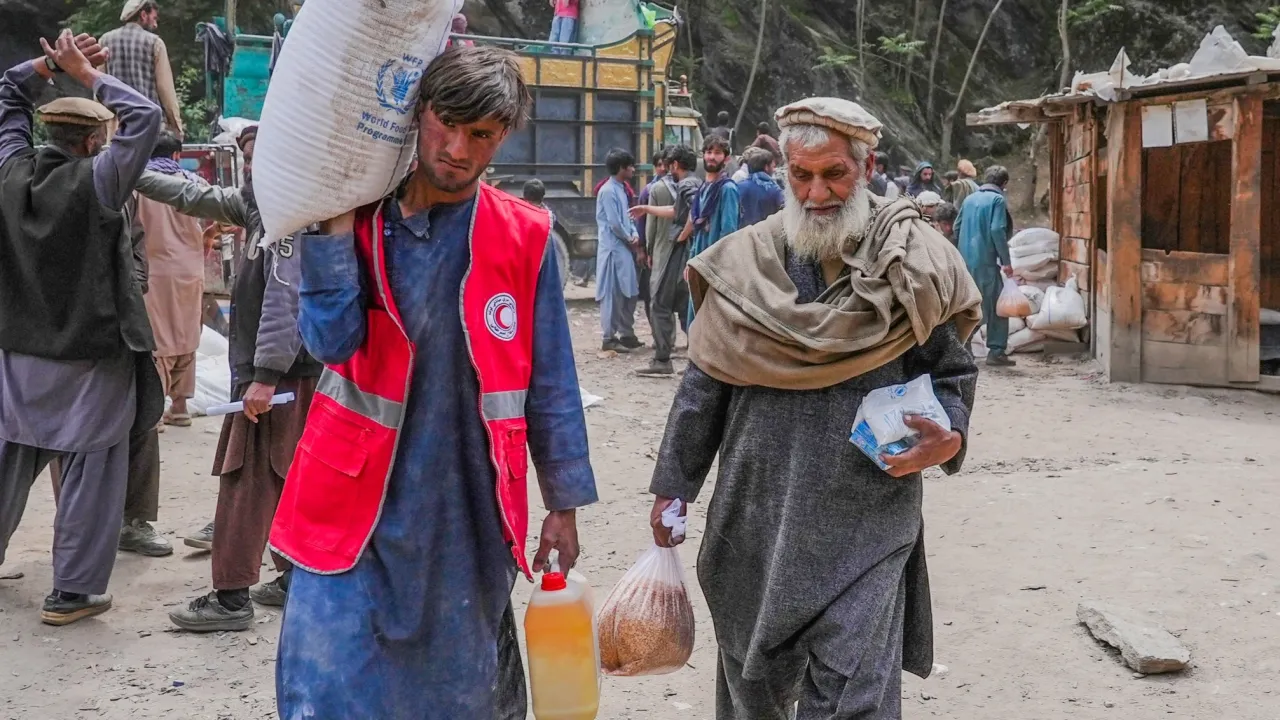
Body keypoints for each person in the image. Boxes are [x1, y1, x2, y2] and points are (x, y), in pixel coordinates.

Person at [268, 44, 597, 718]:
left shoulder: (526, 237)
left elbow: (553, 383)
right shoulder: (356, 219)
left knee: (457, 686)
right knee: (332, 683)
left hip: (465, 500)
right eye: (445, 124)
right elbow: (329, 343)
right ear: (418, 116)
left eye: (480, 134)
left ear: (503, 137)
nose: (456, 148)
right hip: (353, 494)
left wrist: (563, 500)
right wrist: (331, 230)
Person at [647, 96, 981, 720]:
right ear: (783, 173)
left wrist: (949, 436)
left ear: (867, 166)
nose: (817, 192)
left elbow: (954, 370)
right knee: (753, 694)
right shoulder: (741, 264)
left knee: (854, 699)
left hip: (867, 520)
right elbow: (704, 383)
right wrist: (673, 488)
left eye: (834, 175)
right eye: (802, 176)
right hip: (755, 519)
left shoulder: (914, 264)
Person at [0, 31, 164, 625]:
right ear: (95, 139)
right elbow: (144, 116)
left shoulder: (9, 172)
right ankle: (71, 592)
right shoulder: (100, 180)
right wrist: (86, 73)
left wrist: (48, 66)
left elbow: (6, 95)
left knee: (10, 453)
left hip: (19, 350)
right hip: (92, 356)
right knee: (93, 469)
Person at [133, 124, 318, 630]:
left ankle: (232, 596)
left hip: (278, 378)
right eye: (249, 157)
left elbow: (285, 301)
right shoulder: (263, 209)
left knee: (247, 478)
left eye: (263, 157)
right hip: (279, 376)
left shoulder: (289, 221)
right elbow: (194, 194)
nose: (254, 168)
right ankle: (297, 577)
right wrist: (131, 171)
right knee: (282, 479)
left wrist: (264, 377)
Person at [137, 131, 206, 427]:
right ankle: (179, 406)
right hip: (190, 270)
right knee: (187, 334)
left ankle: (154, 411)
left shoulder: (138, 185)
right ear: (177, 155)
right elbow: (222, 221)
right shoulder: (196, 184)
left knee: (158, 339)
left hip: (154, 271)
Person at [630, 144, 698, 376]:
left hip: (667, 253)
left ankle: (662, 358)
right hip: (690, 255)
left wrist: (649, 249)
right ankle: (696, 358)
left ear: (674, 165)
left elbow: (656, 227)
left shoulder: (662, 187)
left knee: (659, 304)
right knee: (687, 306)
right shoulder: (698, 183)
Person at [957, 164, 1016, 367]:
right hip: (987, 263)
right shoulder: (997, 200)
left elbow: (957, 227)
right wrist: (1006, 262)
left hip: (965, 262)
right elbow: (997, 230)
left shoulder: (969, 199)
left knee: (969, 305)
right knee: (997, 307)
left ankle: (964, 348)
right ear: (1004, 183)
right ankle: (996, 351)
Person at [100, 0, 184, 138]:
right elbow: (166, 90)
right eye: (154, 18)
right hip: (148, 128)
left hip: (117, 130)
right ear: (143, 15)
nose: (155, 24)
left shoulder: (105, 41)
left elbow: (99, 88)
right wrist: (176, 127)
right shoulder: (155, 43)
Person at [684, 135, 740, 321]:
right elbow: (697, 229)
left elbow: (728, 232)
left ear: (726, 158)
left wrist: (718, 267)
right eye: (708, 152)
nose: (711, 157)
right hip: (699, 260)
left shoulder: (728, 189)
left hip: (715, 264)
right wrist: (691, 262)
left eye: (717, 153)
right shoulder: (704, 188)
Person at [595, 148, 644, 353]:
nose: (633, 169)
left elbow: (627, 217)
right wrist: (629, 238)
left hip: (623, 248)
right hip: (614, 250)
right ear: (622, 168)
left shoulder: (621, 189)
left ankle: (626, 333)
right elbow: (615, 223)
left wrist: (633, 234)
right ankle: (609, 337)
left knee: (629, 292)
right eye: (630, 166)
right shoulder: (608, 191)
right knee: (612, 294)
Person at [736, 146, 784, 228]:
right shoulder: (774, 190)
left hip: (743, 236)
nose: (774, 169)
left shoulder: (738, 187)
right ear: (766, 167)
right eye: (773, 166)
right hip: (765, 236)